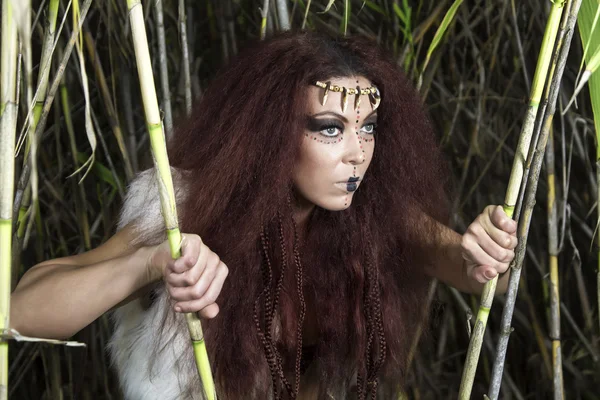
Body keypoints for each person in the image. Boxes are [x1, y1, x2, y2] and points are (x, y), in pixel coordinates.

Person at [10, 31, 518, 399]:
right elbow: (21, 312)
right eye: (329, 128)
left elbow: (472, 271)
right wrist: (149, 263)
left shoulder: (373, 215)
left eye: (368, 129)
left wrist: (481, 251)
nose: (358, 153)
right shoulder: (186, 204)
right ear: (271, 133)